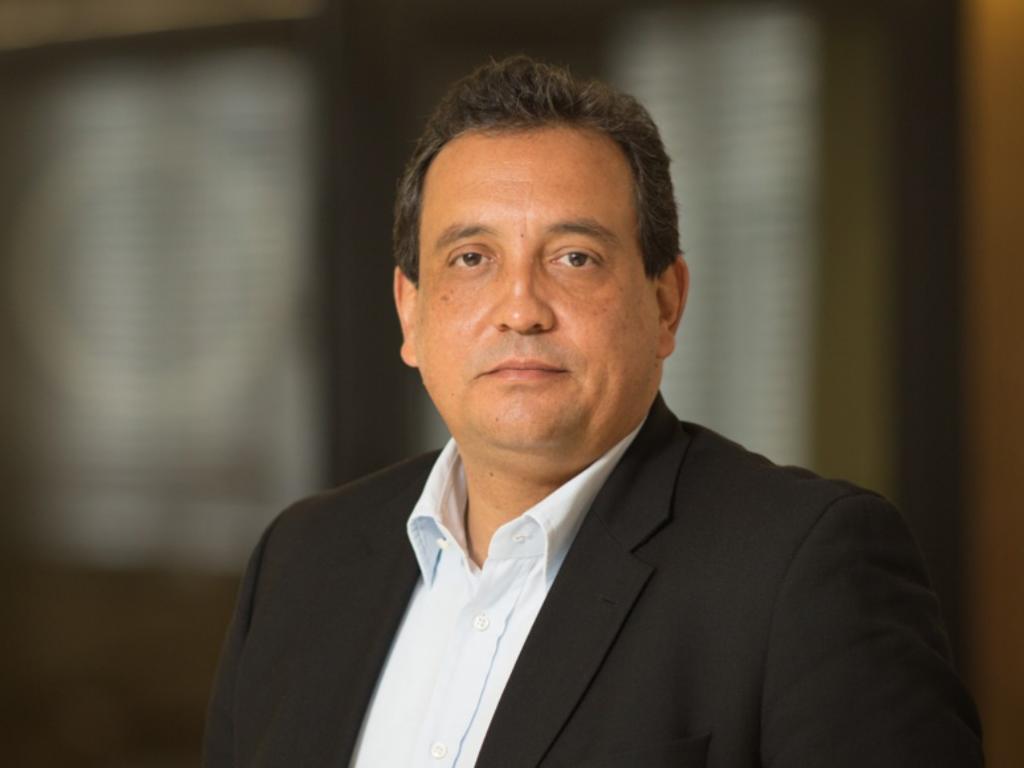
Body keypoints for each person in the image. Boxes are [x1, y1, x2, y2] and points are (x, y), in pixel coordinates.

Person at [203, 56, 982, 768]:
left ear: (665, 303)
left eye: (575, 258)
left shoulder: (805, 572)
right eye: (472, 259)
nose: (521, 309)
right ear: (411, 312)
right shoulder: (301, 563)